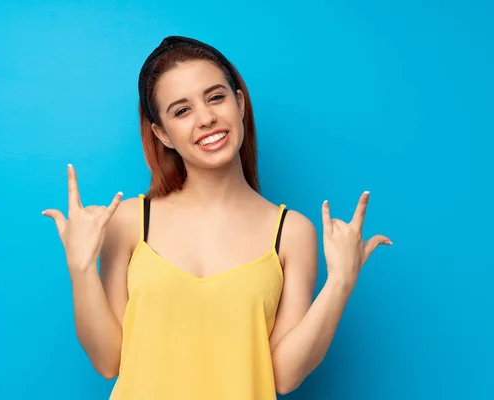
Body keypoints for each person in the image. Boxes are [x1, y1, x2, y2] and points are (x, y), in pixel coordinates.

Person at [42, 36, 392, 400]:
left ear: (239, 103)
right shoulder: (130, 221)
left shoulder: (291, 232)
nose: (207, 118)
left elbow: (284, 377)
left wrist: (340, 284)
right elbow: (107, 361)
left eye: (216, 97)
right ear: (162, 133)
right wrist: (81, 269)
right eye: (181, 110)